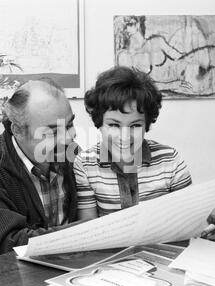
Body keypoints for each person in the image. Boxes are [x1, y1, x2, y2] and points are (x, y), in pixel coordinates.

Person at [0, 79, 80, 270]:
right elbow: (8, 248)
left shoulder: (69, 154)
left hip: (53, 272)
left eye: (69, 125)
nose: (69, 137)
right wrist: (86, 232)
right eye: (52, 132)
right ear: (18, 131)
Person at [74, 66, 192, 219]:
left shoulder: (170, 160)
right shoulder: (85, 165)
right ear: (99, 123)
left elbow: (189, 218)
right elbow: (87, 229)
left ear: (146, 124)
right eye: (114, 125)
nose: (124, 137)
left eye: (135, 125)